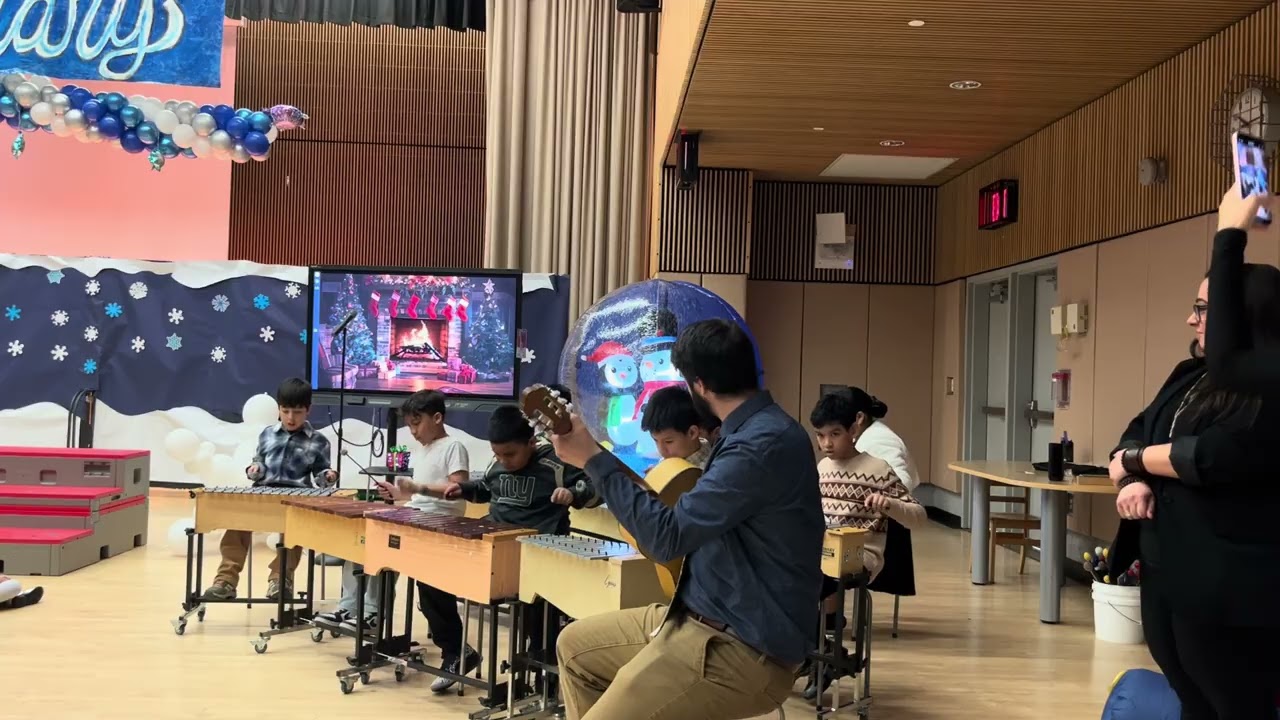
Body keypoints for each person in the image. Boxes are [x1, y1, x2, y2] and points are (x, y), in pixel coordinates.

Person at [549, 319, 824, 720]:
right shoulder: (749, 432)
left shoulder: (760, 445)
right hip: (697, 615)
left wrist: (592, 459)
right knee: (575, 648)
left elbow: (667, 538)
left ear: (699, 386)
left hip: (741, 646)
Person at [1106, 184, 1280, 720]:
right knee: (1190, 694)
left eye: (1205, 308)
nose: (1193, 320)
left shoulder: (1264, 392)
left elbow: (1210, 458)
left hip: (1227, 585)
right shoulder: (1191, 374)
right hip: (1166, 567)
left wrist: (1136, 461)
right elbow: (1138, 429)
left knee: (1233, 702)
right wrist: (1129, 474)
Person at [445, 405, 599, 665]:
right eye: (498, 454)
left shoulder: (556, 461)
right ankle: (513, 664)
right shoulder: (499, 462)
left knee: (539, 621)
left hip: (543, 554)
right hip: (503, 551)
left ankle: (543, 673)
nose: (504, 460)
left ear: (531, 442)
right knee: (440, 576)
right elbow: (486, 488)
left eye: (510, 454)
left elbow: (595, 484)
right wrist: (463, 489)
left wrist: (573, 494)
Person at [352, 389, 480, 693]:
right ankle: (446, 650)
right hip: (418, 520)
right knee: (426, 594)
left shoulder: (454, 446)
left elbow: (458, 488)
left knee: (435, 594)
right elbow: (417, 496)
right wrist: (397, 495)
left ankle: (456, 653)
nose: (413, 431)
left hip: (442, 526)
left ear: (437, 418)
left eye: (417, 423)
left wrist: (418, 489)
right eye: (409, 425)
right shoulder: (422, 449)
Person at [803, 390, 925, 699]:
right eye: (820, 436)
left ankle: (820, 654)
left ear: (854, 430)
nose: (827, 443)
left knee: (812, 582)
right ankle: (819, 653)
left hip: (861, 555)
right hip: (826, 552)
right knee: (785, 576)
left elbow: (919, 517)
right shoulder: (822, 469)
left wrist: (889, 506)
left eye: (835, 434)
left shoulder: (878, 469)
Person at [202, 378, 336, 601]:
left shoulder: (319, 441)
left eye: (297, 412)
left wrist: (329, 477)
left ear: (308, 410)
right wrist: (255, 469)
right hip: (264, 493)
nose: (291, 418)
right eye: (285, 411)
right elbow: (260, 464)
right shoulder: (267, 434)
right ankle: (225, 581)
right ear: (278, 409)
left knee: (294, 532)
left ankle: (280, 580)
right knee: (237, 523)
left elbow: (320, 476)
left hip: (296, 497)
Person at [832, 386, 921, 491]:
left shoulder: (880, 440)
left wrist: (879, 500)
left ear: (859, 418)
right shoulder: (862, 436)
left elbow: (903, 482)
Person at [639, 385, 712, 468]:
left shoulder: (707, 472)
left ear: (692, 433)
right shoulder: (673, 459)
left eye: (669, 441)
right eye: (655, 440)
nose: (662, 451)